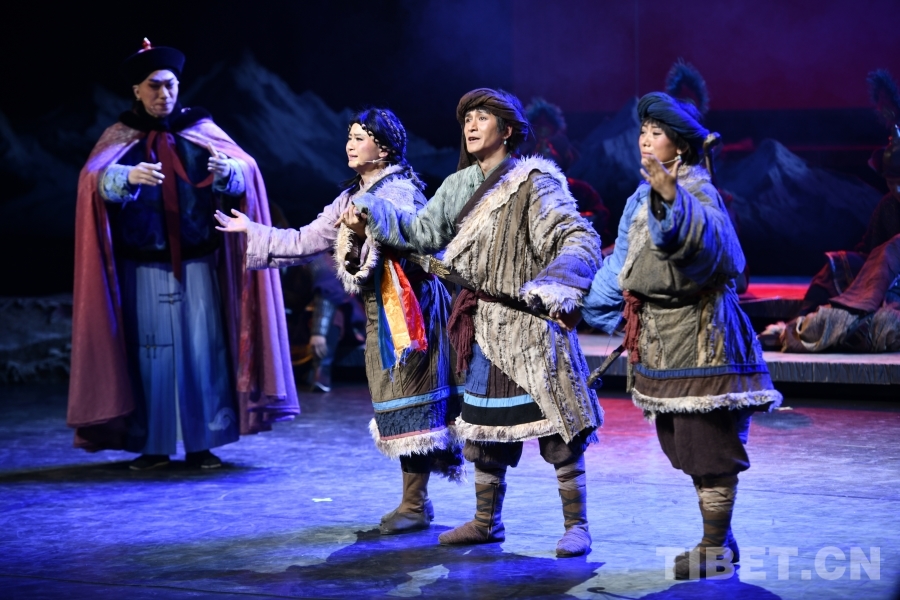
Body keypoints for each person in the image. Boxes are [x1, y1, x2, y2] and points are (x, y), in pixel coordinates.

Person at [346, 89, 603, 558]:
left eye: (482, 117)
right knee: (483, 427)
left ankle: (577, 525)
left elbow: (576, 236)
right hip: (483, 323)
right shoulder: (458, 185)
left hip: (530, 322)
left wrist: (557, 285)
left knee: (559, 426)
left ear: (507, 129)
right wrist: (373, 212)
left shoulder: (536, 182)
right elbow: (421, 234)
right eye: (467, 117)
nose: (471, 124)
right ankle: (487, 522)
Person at [215, 108, 464, 534]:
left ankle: (415, 503)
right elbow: (306, 240)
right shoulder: (351, 197)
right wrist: (252, 230)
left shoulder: (399, 192)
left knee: (413, 402)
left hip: (411, 312)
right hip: (382, 309)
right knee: (397, 402)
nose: (350, 145)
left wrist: (369, 234)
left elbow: (419, 244)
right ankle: (415, 502)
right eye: (349, 136)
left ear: (384, 149)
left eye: (360, 138)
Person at [67, 40, 298, 469]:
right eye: (154, 86)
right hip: (143, 266)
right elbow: (92, 181)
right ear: (137, 90)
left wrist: (229, 173)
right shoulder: (122, 137)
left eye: (170, 85)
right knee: (150, 355)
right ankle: (153, 446)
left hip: (197, 264)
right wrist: (124, 176)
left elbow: (246, 170)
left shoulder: (199, 129)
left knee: (202, 350)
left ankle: (202, 443)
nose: (164, 94)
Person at [581, 92, 782, 579]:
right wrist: (583, 305)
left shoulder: (698, 191)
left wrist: (675, 201)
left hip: (702, 336)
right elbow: (622, 263)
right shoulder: (638, 196)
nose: (645, 139)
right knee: (684, 445)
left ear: (682, 146)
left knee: (708, 445)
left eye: (657, 132)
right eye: (642, 131)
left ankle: (714, 545)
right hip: (663, 341)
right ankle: (721, 537)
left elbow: (719, 251)